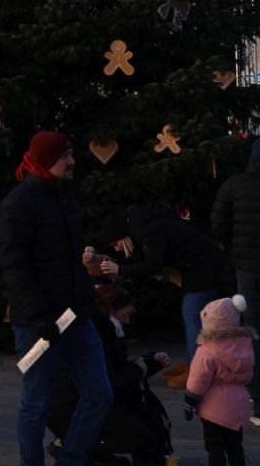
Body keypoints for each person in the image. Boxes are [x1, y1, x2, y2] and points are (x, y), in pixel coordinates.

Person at [0, 131, 112, 466]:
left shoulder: (65, 196)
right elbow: (15, 266)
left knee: (99, 393)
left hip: (76, 315)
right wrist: (37, 318)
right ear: (47, 161)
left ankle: (72, 459)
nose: (72, 161)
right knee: (37, 402)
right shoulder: (19, 203)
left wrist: (88, 301)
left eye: (72, 154)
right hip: (38, 323)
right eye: (65, 156)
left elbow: (67, 257)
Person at [47, 284, 173, 466]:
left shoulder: (103, 329)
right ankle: (83, 450)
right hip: (75, 407)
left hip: (77, 403)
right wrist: (138, 369)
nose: (127, 322)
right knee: (144, 436)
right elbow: (109, 379)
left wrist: (149, 363)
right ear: (111, 309)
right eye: (125, 315)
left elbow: (114, 370)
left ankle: (90, 452)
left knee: (148, 426)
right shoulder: (98, 334)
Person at [100, 205, 228, 367]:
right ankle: (196, 365)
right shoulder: (146, 226)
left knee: (193, 314)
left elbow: (152, 265)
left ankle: (196, 369)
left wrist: (120, 269)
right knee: (196, 315)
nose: (116, 248)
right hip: (202, 267)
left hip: (202, 268)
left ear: (121, 236)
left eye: (115, 243)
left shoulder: (148, 232)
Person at [211, 139, 260, 422]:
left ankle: (256, 394)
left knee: (252, 330)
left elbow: (218, 223)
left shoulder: (233, 185)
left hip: (246, 267)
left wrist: (233, 249)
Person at [184, 294, 253, 466]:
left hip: (213, 409)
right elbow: (249, 376)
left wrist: (190, 401)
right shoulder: (246, 345)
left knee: (214, 447)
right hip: (238, 405)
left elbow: (197, 380)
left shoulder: (206, 350)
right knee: (235, 445)